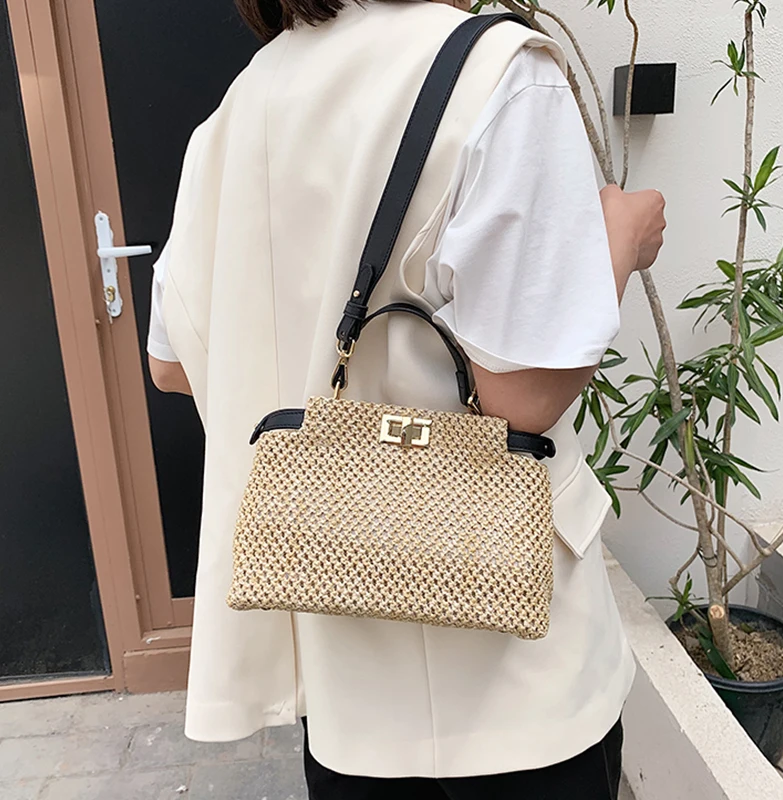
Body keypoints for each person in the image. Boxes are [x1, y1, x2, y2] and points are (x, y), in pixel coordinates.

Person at [147, 1, 666, 797]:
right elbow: (523, 394)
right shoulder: (497, 69)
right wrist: (620, 239)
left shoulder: (243, 103)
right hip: (514, 684)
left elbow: (171, 366)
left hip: (347, 683)